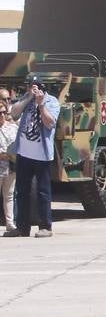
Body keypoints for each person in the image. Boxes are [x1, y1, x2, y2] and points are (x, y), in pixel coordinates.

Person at [4, 73, 63, 238]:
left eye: (34, 86)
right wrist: (28, 97)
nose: (32, 88)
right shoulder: (26, 98)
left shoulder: (52, 102)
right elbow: (13, 114)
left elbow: (50, 123)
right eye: (30, 86)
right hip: (24, 153)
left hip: (42, 155)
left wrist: (41, 104)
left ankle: (45, 226)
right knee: (21, 191)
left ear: (42, 87)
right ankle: (22, 228)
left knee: (43, 192)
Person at [0, 89, 19, 231]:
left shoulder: (13, 127)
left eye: (3, 112)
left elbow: (18, 143)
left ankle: (10, 223)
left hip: (11, 165)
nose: (2, 115)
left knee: (9, 195)